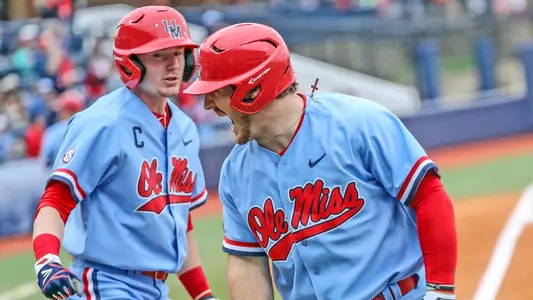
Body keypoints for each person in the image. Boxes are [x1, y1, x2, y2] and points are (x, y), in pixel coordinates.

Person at [184, 23, 457, 300]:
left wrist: (441, 291)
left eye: (216, 92)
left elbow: (428, 195)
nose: (207, 105)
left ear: (252, 90)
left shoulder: (357, 122)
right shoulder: (235, 172)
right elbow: (247, 261)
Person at [32, 6, 218, 300]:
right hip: (107, 283)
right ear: (131, 62)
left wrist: (203, 294)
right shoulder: (102, 122)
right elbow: (56, 200)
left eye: (178, 53)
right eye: (159, 55)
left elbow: (181, 221)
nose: (172, 65)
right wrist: (47, 260)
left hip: (157, 289)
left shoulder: (185, 128)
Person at [40, 90, 84, 168]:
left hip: (57, 175)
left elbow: (46, 159)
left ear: (65, 111)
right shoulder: (85, 128)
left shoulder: (53, 131)